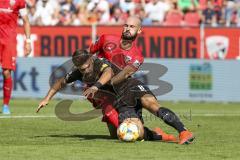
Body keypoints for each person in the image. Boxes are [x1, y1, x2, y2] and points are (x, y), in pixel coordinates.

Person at [37, 50, 194, 144]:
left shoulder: (100, 63)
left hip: (130, 84)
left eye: (85, 68)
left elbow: (109, 73)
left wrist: (96, 86)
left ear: (90, 60)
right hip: (121, 98)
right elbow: (60, 82)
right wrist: (47, 98)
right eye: (81, 69)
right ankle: (159, 135)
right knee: (131, 134)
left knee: (151, 103)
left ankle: (183, 132)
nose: (84, 72)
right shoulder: (78, 70)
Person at [87, 16, 145, 135]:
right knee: (126, 130)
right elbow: (88, 54)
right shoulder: (105, 38)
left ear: (139, 31)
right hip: (97, 86)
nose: (128, 29)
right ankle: (133, 131)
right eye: (126, 25)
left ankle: (158, 135)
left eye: (132, 27)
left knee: (115, 134)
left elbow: (126, 74)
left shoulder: (137, 56)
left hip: (117, 89)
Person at [0, 0, 32, 114]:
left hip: (9, 40)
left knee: (6, 72)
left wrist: (28, 41)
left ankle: (5, 105)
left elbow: (26, 20)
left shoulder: (19, 1)